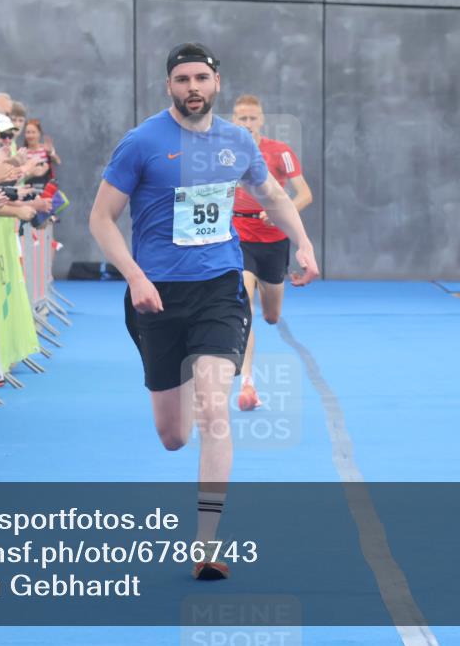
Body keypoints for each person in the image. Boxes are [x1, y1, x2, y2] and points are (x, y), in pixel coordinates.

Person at [89, 43, 319, 581]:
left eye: (201, 78)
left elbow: (276, 196)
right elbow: (101, 219)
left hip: (219, 286)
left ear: (216, 84)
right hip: (156, 295)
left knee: (216, 410)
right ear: (168, 86)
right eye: (182, 79)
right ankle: (188, 378)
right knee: (174, 436)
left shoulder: (237, 141)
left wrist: (302, 242)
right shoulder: (142, 142)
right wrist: (136, 276)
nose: (192, 87)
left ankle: (207, 545)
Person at [230, 94, 313, 410]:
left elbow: (305, 193)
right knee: (244, 309)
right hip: (239, 237)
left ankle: (271, 301)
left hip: (275, 241)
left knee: (271, 314)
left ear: (261, 120)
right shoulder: (226, 152)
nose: (247, 123)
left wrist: (282, 209)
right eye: (241, 118)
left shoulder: (281, 152)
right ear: (234, 120)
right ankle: (247, 384)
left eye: (252, 118)